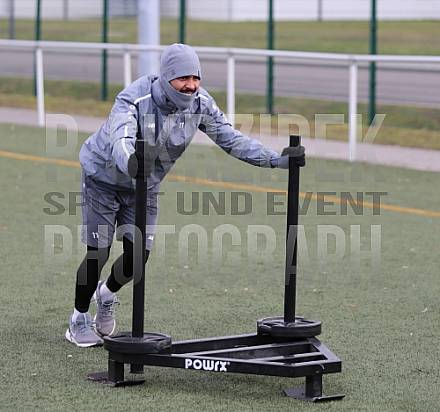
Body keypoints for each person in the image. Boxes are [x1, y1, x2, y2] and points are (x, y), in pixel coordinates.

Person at [65, 43, 305, 347]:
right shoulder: (134, 98)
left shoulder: (200, 103)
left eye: (195, 77)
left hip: (145, 185)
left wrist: (275, 160)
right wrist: (130, 160)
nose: (190, 85)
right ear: (166, 77)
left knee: (138, 257)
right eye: (182, 78)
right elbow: (120, 136)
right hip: (104, 177)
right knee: (98, 251)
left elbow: (231, 138)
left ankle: (106, 294)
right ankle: (78, 318)